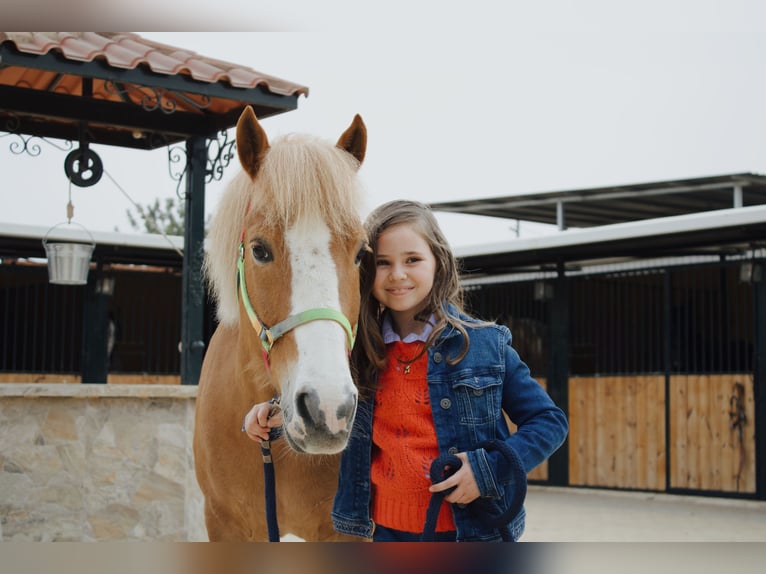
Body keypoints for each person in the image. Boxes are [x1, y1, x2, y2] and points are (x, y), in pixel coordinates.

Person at [243, 199, 568, 542]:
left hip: (470, 533)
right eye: (383, 263)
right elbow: (333, 410)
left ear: (438, 264)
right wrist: (275, 416)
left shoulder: (485, 345)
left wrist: (487, 471)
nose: (398, 274)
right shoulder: (360, 354)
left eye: (412, 260)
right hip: (385, 534)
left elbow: (550, 422)